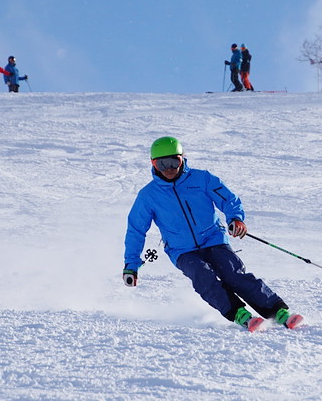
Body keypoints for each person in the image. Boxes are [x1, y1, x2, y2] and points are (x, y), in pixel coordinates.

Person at [122, 137, 302, 331]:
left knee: (233, 273)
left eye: (174, 161)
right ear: (153, 164)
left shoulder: (202, 179)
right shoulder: (148, 195)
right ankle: (240, 314)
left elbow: (228, 199)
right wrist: (131, 265)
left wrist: (235, 219)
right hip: (181, 250)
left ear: (182, 159)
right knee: (203, 277)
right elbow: (136, 230)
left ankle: (278, 311)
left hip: (213, 239)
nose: (169, 168)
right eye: (162, 163)